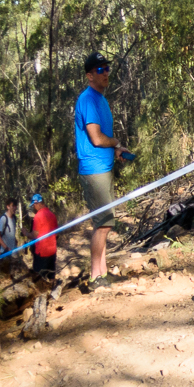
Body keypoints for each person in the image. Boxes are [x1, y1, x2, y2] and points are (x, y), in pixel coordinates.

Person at [74, 53, 134, 288]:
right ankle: (96, 276)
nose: (106, 72)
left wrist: (116, 150)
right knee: (104, 223)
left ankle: (102, 273)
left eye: (107, 68)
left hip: (103, 167)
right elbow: (97, 139)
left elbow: (101, 142)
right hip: (93, 170)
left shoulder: (101, 99)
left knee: (105, 223)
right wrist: (116, 142)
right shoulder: (88, 100)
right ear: (89, 76)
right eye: (100, 70)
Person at [0, 197, 21, 277]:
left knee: (16, 274)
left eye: (15, 206)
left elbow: (10, 233)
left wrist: (14, 240)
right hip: (5, 252)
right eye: (12, 206)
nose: (14, 208)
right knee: (1, 275)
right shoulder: (3, 219)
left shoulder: (14, 218)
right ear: (8, 206)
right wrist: (6, 248)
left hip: (14, 252)